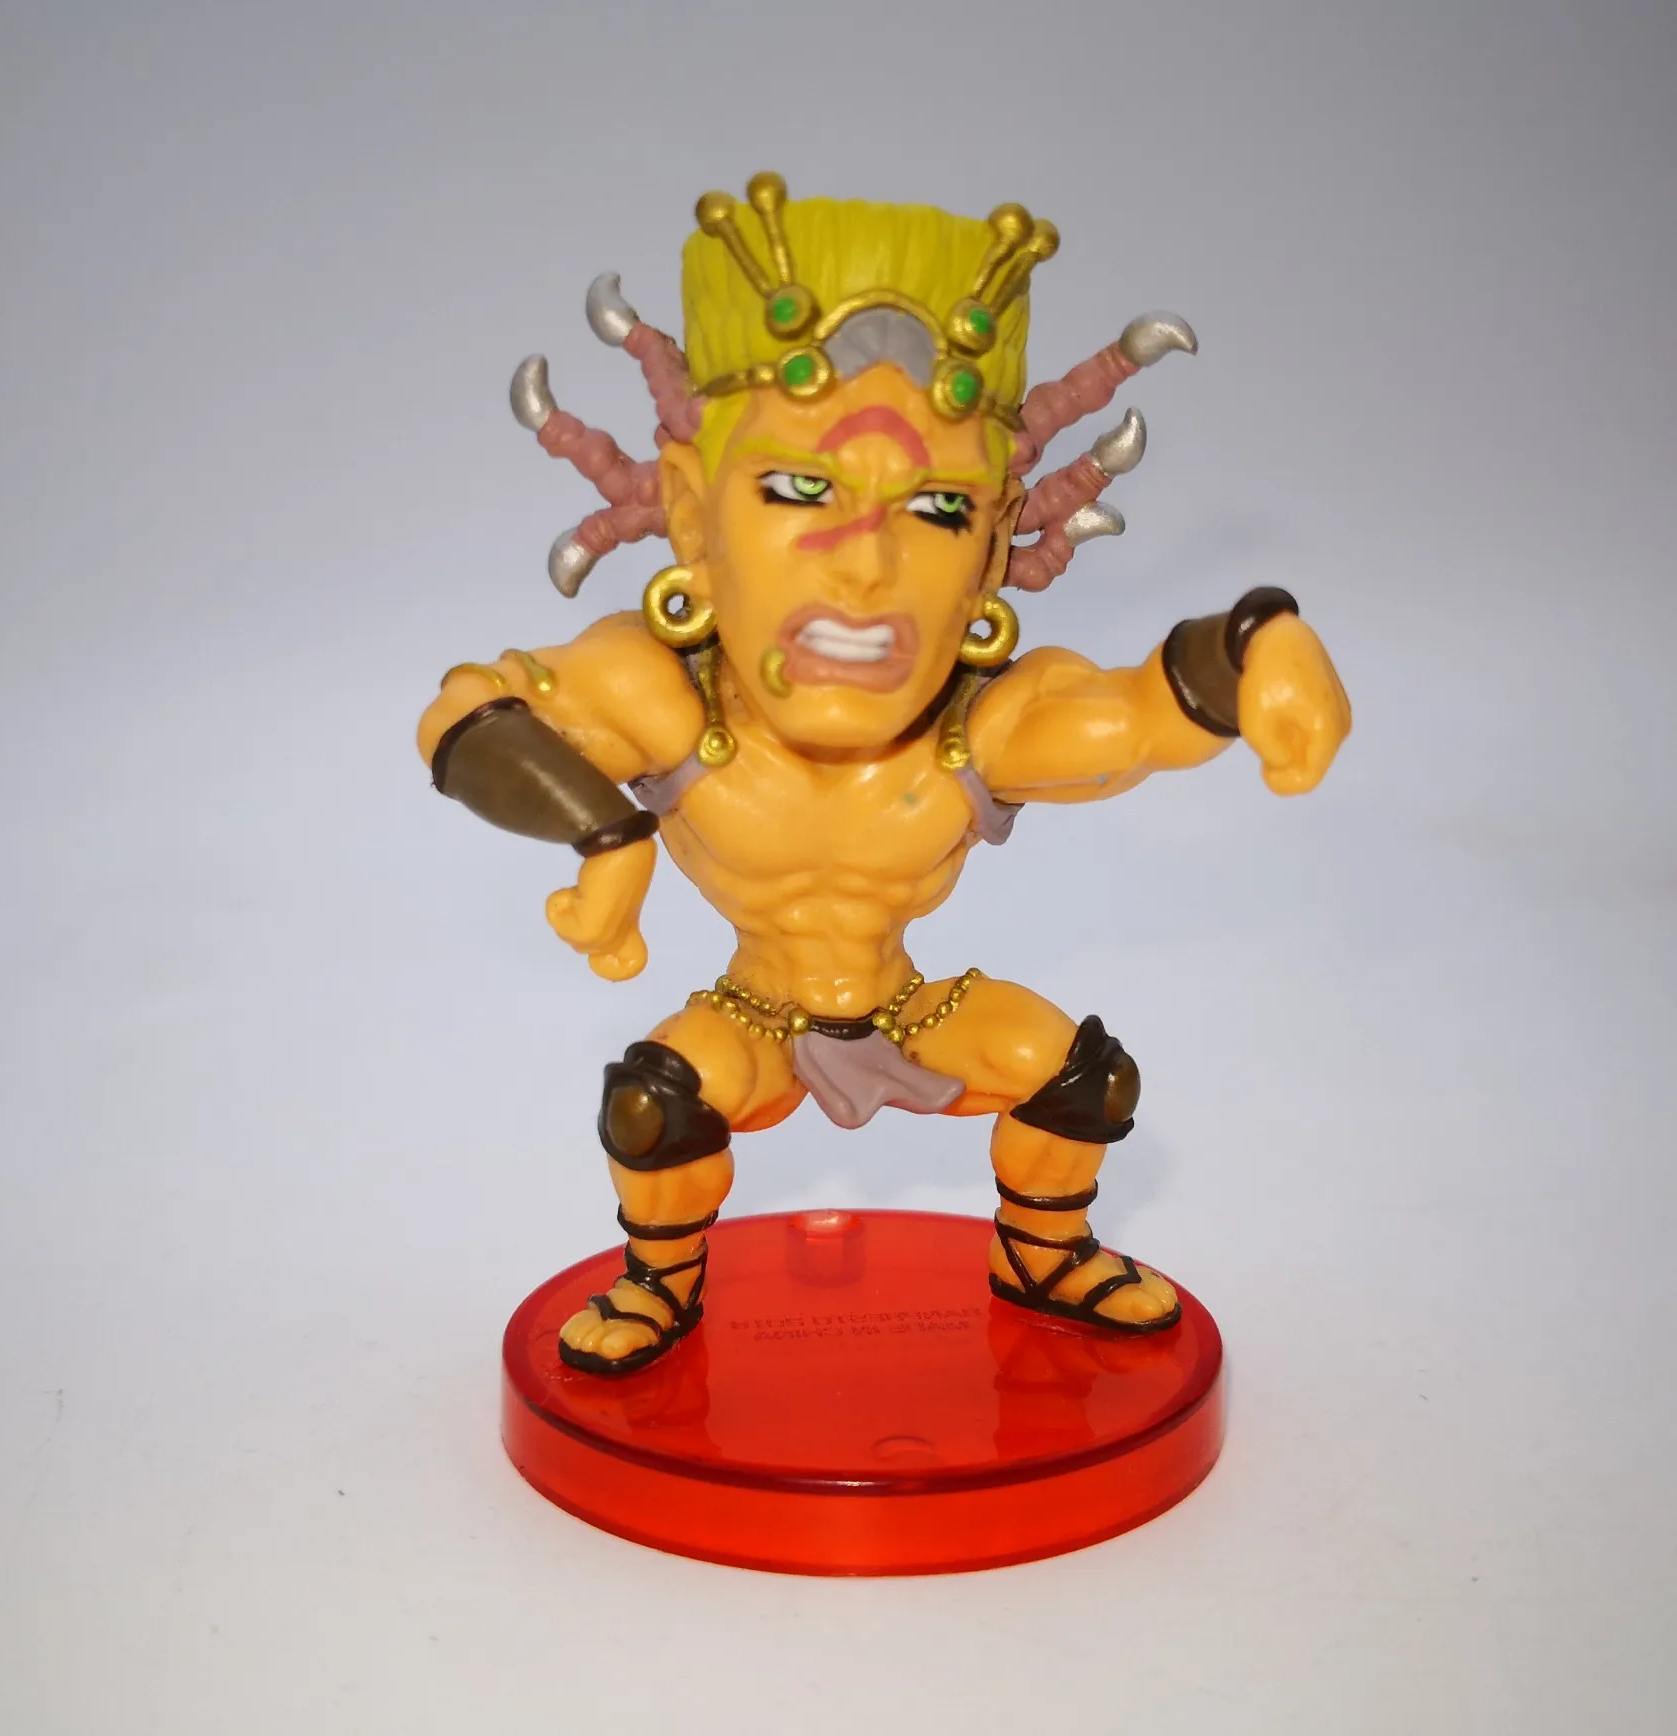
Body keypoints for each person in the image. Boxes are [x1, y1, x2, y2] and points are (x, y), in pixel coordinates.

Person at [417, 175, 1351, 1375]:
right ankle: (659, 1282)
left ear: (993, 547)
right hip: (751, 1017)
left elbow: (1136, 716)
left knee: (1084, 1075)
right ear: (695, 516)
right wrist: (606, 835)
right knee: (653, 1104)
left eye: (937, 508)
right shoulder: (670, 699)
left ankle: (1043, 1252)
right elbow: (467, 715)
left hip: (917, 1010)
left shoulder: (980, 724)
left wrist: (1257, 644)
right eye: (801, 489)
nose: (864, 566)